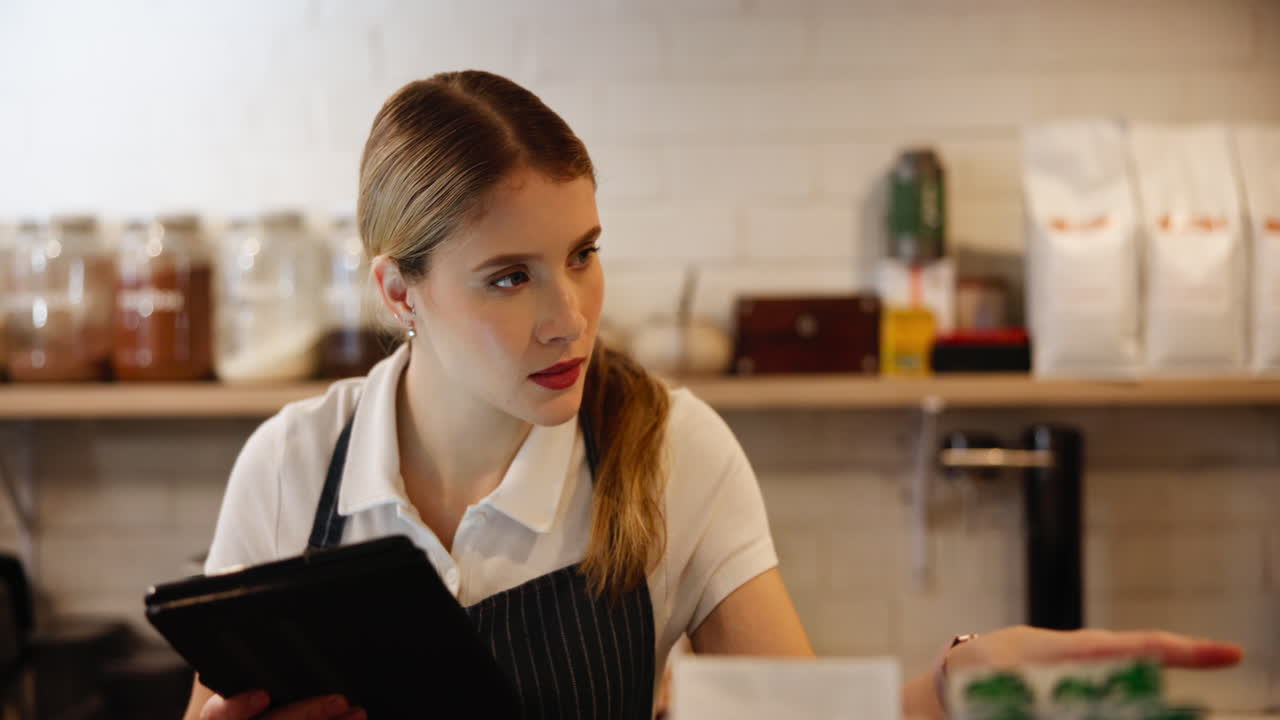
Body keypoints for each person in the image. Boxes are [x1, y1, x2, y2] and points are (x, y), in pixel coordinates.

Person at [185, 71, 1242, 720]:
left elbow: (795, 716)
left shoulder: (667, 451)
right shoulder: (295, 467)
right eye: (508, 277)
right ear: (395, 290)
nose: (570, 316)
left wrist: (955, 688)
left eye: (583, 254)